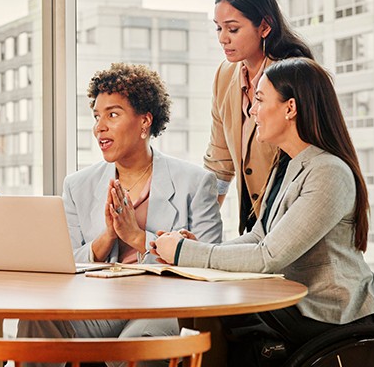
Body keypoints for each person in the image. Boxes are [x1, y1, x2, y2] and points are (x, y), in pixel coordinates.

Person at [154, 58, 374, 364]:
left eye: (260, 100)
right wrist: (197, 249)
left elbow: (268, 257)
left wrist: (184, 253)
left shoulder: (329, 172)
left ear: (290, 108)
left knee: (214, 311)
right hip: (294, 301)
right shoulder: (287, 164)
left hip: (326, 310)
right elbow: (259, 236)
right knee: (201, 305)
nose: (252, 111)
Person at [17, 63, 222, 367]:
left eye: (112, 115)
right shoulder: (77, 185)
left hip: (160, 307)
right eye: (97, 116)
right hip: (98, 305)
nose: (100, 126)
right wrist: (106, 239)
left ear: (144, 122)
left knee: (136, 348)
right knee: (37, 318)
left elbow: (211, 266)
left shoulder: (195, 182)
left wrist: (139, 238)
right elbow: (66, 262)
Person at [205, 0, 313, 233]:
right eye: (218, 28)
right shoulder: (224, 75)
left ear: (264, 26)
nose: (223, 39)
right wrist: (200, 226)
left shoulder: (294, 73)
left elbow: (308, 157)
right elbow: (219, 162)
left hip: (292, 217)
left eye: (232, 29)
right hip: (252, 226)